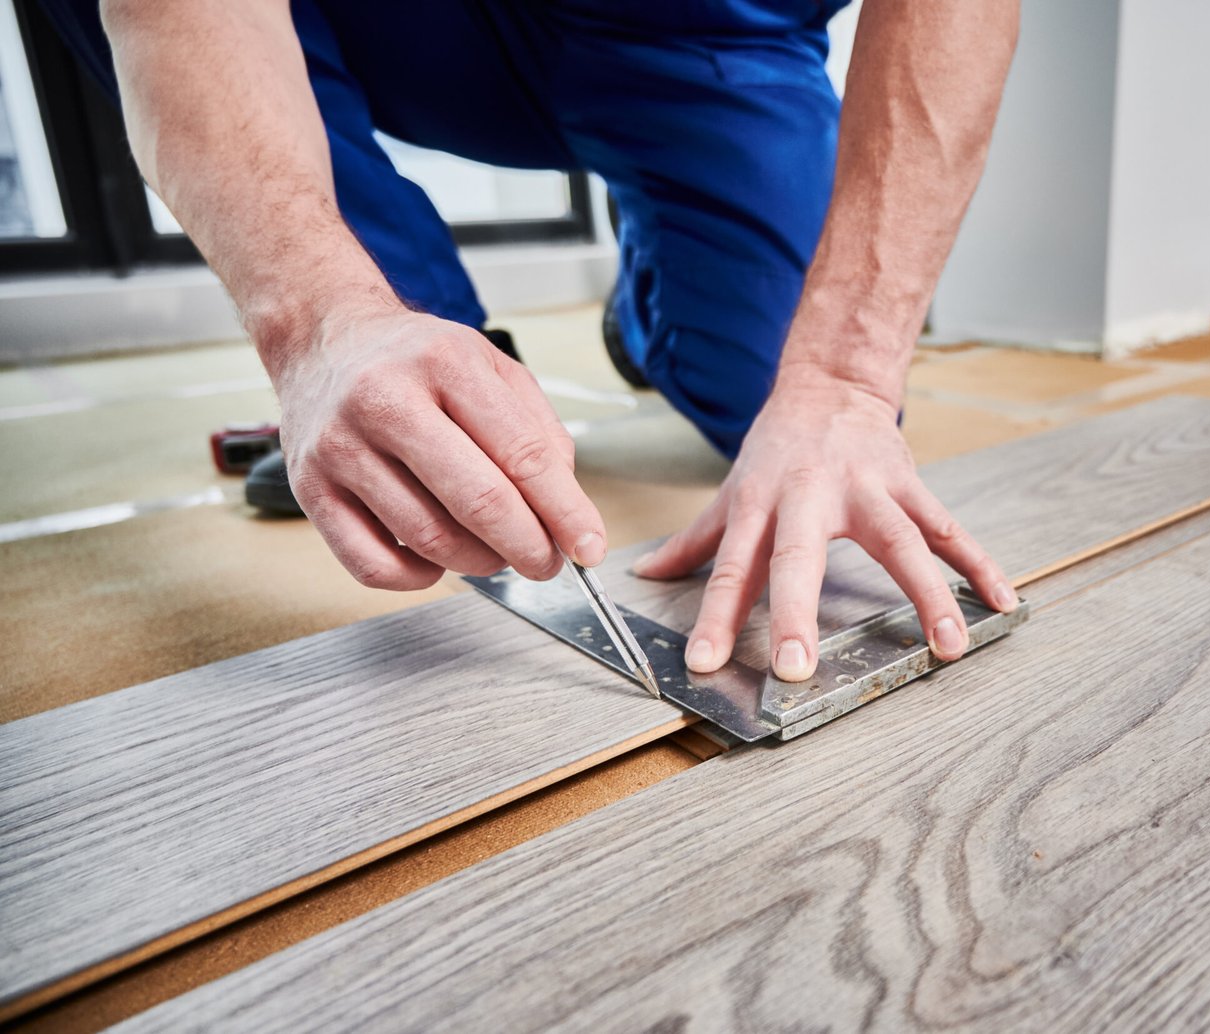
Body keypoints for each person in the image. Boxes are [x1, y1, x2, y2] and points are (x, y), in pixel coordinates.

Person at [41, 0, 1022, 684]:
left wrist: (843, 377)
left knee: (793, 402)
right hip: (412, 20)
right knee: (414, 426)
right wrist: (318, 324)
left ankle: (647, 316)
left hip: (710, 24)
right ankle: (415, 338)